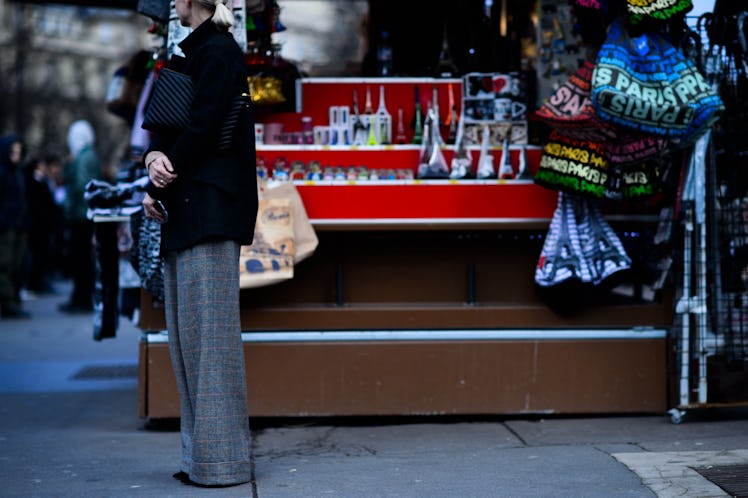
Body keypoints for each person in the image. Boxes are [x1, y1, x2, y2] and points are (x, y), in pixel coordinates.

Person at [141, 0, 258, 488]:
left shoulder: (217, 51)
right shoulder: (198, 49)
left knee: (209, 345)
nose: (171, 2)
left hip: (209, 211)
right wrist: (152, 159)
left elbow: (203, 128)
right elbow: (175, 129)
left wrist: (157, 181)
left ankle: (221, 463)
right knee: (191, 342)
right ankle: (202, 459)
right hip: (194, 209)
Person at [60, 120, 101, 313]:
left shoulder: (84, 157)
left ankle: (81, 299)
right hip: (84, 213)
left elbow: (80, 185)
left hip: (81, 215)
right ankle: (81, 297)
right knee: (82, 258)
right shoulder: (87, 155)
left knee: (81, 258)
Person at [0, 135, 31, 319]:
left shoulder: (18, 172)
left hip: (18, 225)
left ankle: (12, 301)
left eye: (19, 151)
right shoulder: (3, 173)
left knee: (18, 265)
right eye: (13, 151)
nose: (17, 155)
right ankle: (8, 303)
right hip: (6, 227)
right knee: (5, 266)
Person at [24, 155, 59, 294]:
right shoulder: (32, 182)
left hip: (44, 224)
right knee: (37, 255)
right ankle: (34, 283)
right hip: (37, 225)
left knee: (42, 255)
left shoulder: (43, 181)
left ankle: (39, 282)